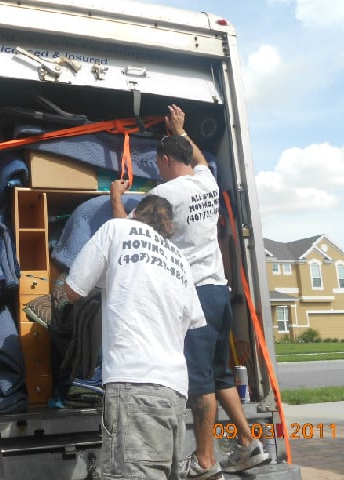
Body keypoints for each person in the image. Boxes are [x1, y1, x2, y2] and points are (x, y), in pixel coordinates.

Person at [111, 105, 270, 479]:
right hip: (218, 292)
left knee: (200, 384)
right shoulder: (207, 182)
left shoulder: (163, 195)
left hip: (193, 297)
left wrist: (116, 197)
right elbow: (197, 157)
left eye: (158, 164)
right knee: (220, 376)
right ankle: (249, 444)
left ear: (166, 160)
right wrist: (181, 131)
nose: (157, 170)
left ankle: (204, 460)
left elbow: (125, 233)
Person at [63, 195, 206, 480]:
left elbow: (73, 289)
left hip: (134, 384)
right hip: (175, 392)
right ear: (168, 226)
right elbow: (193, 320)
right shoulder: (179, 259)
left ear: (135, 214)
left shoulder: (116, 228)